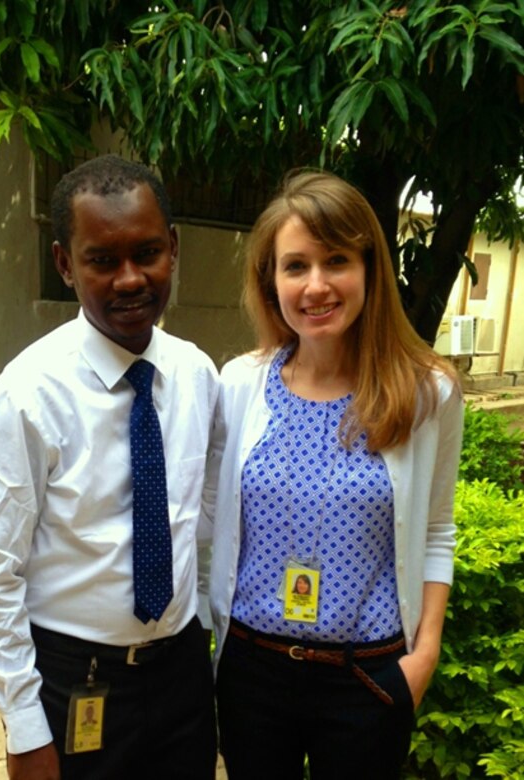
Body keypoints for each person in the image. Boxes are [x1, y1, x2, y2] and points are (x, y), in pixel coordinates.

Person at [0, 155, 218, 780]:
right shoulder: (22, 399)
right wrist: (24, 728)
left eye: (148, 252)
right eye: (103, 260)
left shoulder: (197, 374)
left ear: (173, 250)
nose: (130, 279)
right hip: (77, 679)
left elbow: (204, 524)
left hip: (183, 670)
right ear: (65, 264)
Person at [208, 170, 464, 779]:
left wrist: (421, 658)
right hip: (253, 671)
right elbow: (210, 521)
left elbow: (436, 532)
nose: (316, 285)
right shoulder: (239, 383)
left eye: (336, 260)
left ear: (370, 269)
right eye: (295, 266)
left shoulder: (427, 392)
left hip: (367, 678)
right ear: (271, 282)